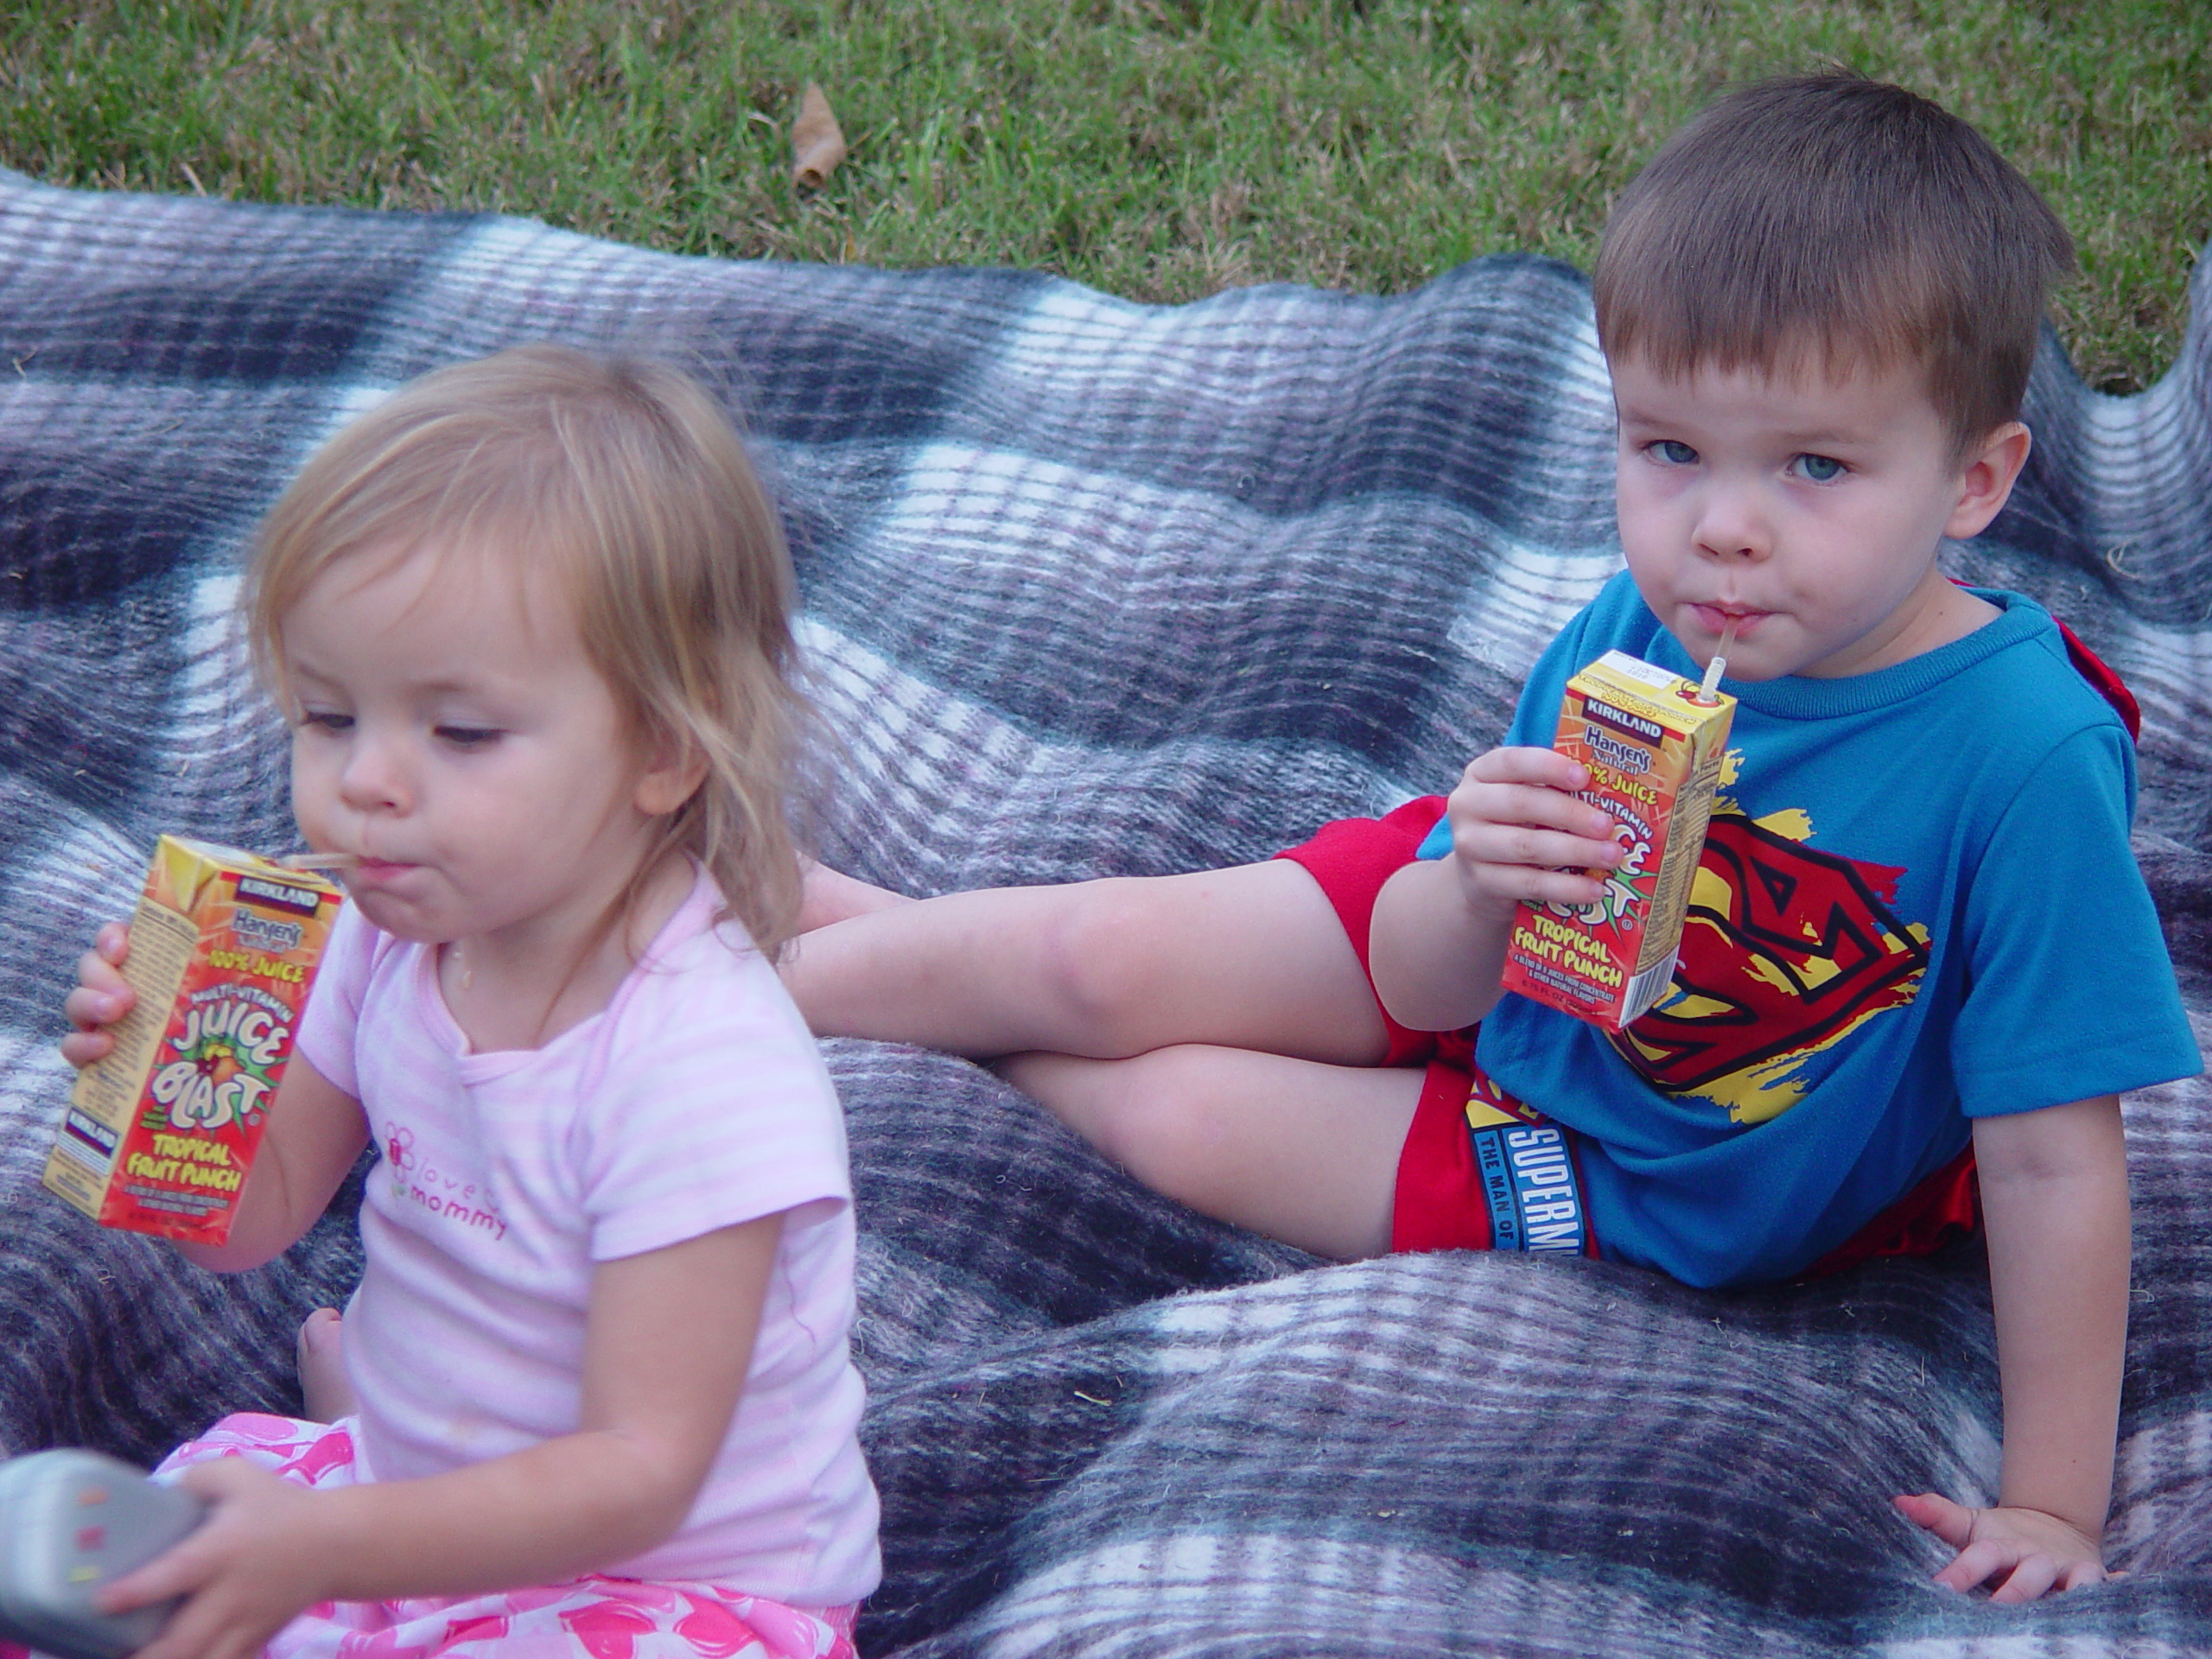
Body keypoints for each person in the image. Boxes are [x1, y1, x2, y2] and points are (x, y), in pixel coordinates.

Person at [783, 73, 2199, 1602]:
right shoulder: (1651, 628)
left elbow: (2056, 1162)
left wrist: (2055, 1505)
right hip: (1470, 930)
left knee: (1174, 1117)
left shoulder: (2023, 758)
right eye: (1670, 450)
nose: (1723, 529)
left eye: (1816, 467)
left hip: (1637, 1168)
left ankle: (898, 975)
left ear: (1976, 480)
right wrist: (1469, 881)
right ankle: (752, 969)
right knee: (1096, 950)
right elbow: (1437, 976)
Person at [53, 346, 878, 1659]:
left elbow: (638, 1469)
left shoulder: (699, 1067)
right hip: (409, 1509)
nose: (368, 783)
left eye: (461, 733)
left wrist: (324, 1544)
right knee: (126, 1592)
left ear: (667, 745)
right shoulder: (388, 942)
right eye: (330, 716)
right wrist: (158, 1096)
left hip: (672, 1591)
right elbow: (254, 1224)